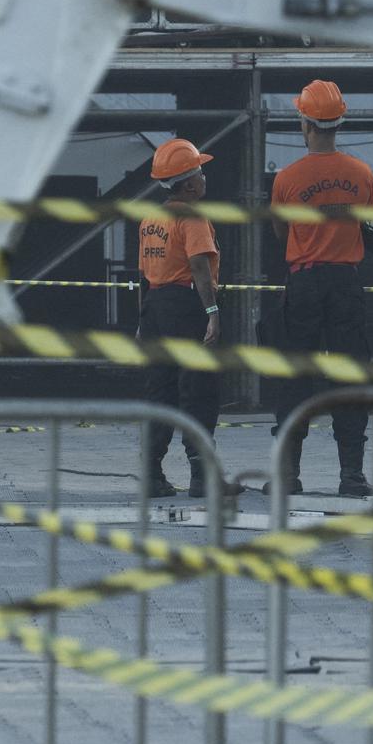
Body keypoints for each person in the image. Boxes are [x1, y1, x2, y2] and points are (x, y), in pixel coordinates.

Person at [269, 79, 373, 497]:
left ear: (305, 122)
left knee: (296, 377)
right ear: (339, 121)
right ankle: (351, 475)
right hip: (345, 282)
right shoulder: (362, 175)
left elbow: (281, 232)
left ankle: (289, 475)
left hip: (305, 281)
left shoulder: (287, 178)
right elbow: (365, 222)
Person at [135, 137, 229, 499]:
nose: (205, 178)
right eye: (200, 172)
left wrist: (144, 318)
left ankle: (152, 474)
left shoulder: (150, 219)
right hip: (185, 306)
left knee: (161, 391)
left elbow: (144, 272)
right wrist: (212, 312)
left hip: (156, 305)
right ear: (188, 183)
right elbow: (199, 266)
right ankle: (202, 476)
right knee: (198, 390)